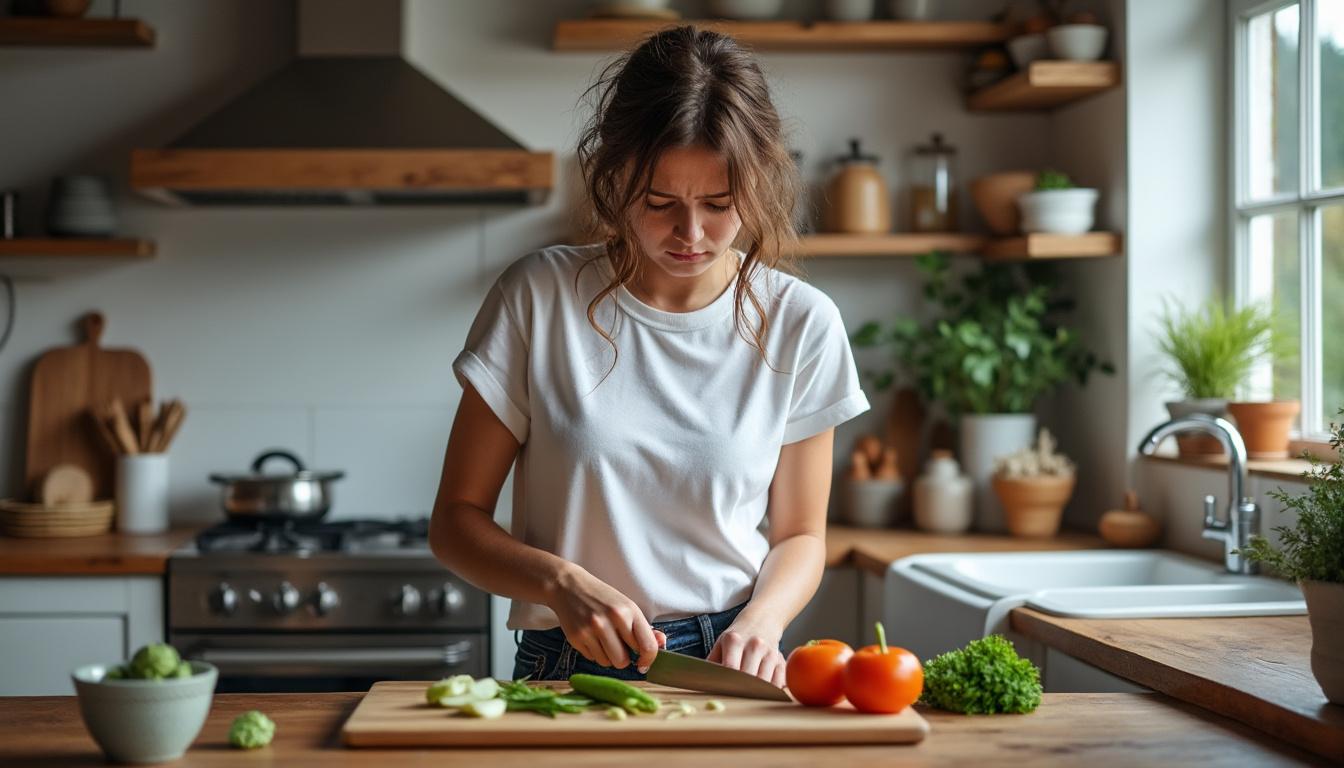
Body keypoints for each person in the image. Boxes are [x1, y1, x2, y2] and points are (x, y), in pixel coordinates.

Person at [428, 25, 869, 686]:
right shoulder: (538, 296)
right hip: (567, 660)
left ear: (758, 186)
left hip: (728, 657)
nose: (691, 233)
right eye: (660, 203)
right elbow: (455, 523)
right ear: (614, 178)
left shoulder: (800, 322)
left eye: (719, 204)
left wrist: (762, 622)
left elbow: (801, 536)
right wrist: (559, 582)